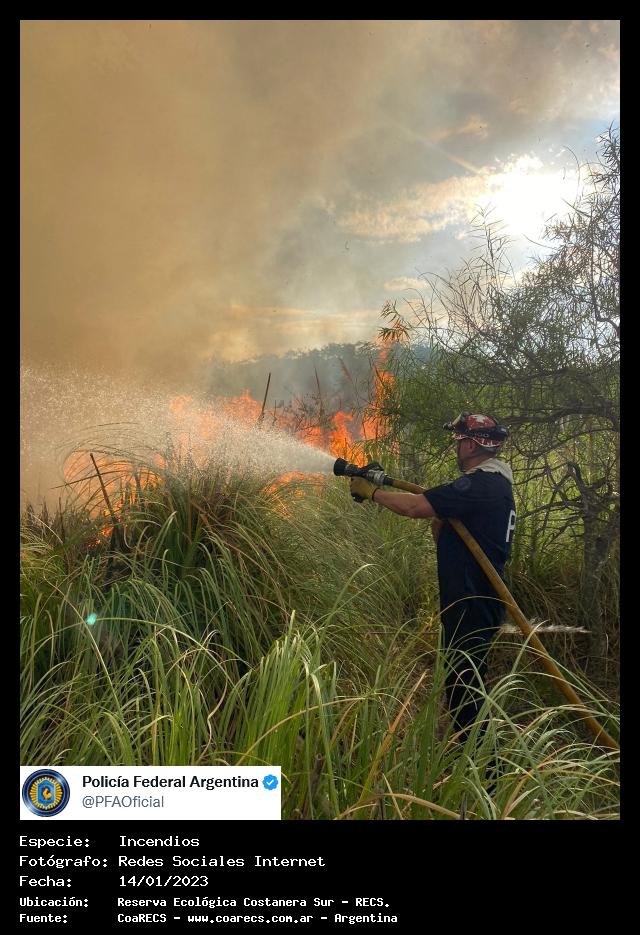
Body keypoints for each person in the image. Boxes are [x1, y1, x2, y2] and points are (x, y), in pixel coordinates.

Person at [349, 413, 516, 742]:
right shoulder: (490, 484)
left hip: (473, 599)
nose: (456, 447)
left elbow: (414, 507)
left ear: (471, 445)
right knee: (461, 681)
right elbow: (437, 517)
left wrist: (372, 493)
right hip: (469, 598)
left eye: (459, 441)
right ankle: (468, 752)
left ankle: (482, 764)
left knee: (466, 687)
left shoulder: (482, 484)